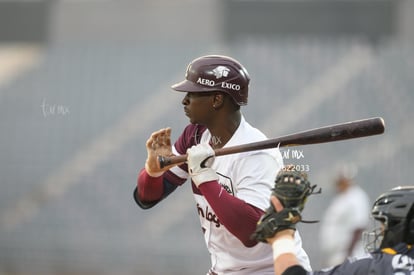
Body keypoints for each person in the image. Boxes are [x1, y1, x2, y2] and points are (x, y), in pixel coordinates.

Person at [133, 55, 311, 274]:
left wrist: (205, 178)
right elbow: (147, 197)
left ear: (217, 100)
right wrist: (152, 171)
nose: (184, 100)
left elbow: (252, 233)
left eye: (193, 94)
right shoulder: (196, 135)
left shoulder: (257, 154)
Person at [262, 174, 414, 275]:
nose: (381, 232)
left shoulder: (378, 266)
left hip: (346, 254)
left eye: (383, 225)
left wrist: (281, 237)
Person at [319, 165, 371, 267]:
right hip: (336, 255)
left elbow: (359, 226)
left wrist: (348, 255)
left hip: (351, 254)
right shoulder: (340, 198)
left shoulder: (356, 196)